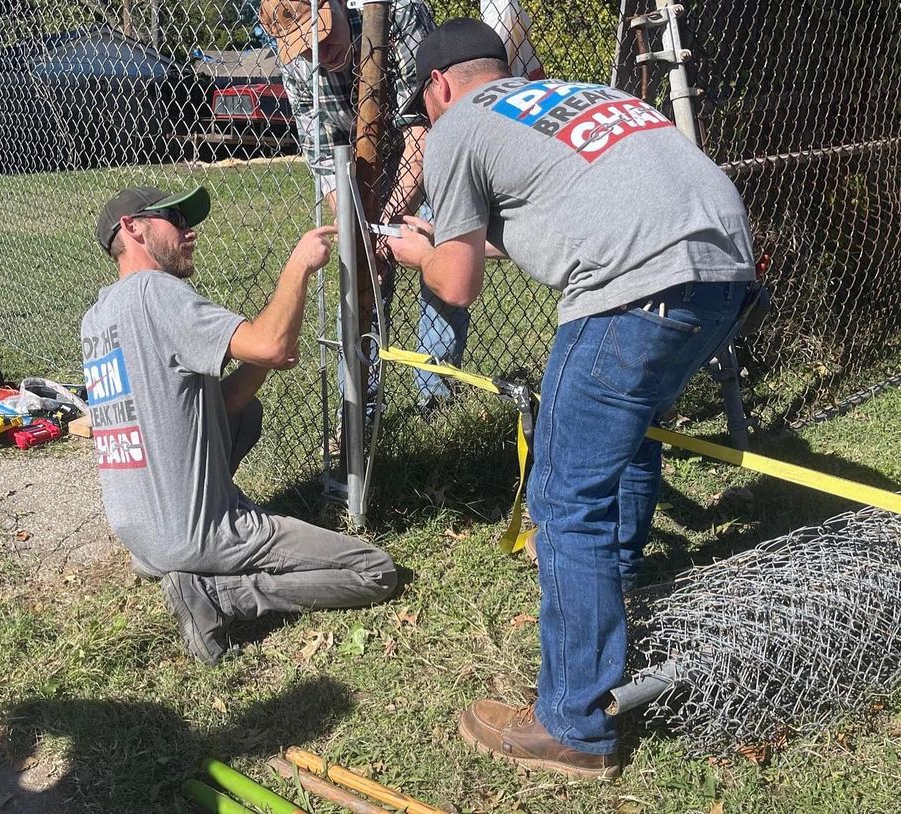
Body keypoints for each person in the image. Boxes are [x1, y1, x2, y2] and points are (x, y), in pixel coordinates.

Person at [388, 19, 756, 780]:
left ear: (437, 89)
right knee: (628, 435)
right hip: (724, 273)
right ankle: (611, 587)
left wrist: (417, 250)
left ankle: (573, 723)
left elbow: (454, 288)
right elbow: (554, 210)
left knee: (562, 498)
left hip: (634, 288)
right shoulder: (577, 96)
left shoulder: (459, 125)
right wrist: (455, 234)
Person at [81, 185, 398, 665]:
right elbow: (269, 343)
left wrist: (270, 358)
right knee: (375, 571)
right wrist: (299, 268)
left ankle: (182, 562)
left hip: (139, 537)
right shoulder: (155, 291)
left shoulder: (97, 316)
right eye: (174, 218)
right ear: (133, 228)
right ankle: (218, 596)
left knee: (246, 413)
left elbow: (226, 397)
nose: (190, 231)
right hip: (193, 534)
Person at [259, 0, 470, 414]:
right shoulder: (299, 67)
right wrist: (358, 232)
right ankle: (357, 409)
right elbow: (323, 160)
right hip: (357, 164)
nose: (318, 53)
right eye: (302, 47)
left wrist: (386, 224)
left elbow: (424, 130)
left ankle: (436, 400)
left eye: (321, 35)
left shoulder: (401, 11)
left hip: (429, 146)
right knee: (357, 275)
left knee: (439, 254)